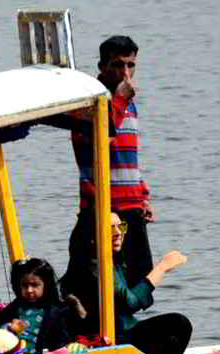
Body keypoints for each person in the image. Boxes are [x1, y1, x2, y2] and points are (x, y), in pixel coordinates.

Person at [66, 35, 154, 285]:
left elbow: (127, 157)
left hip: (131, 206)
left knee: (139, 276)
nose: (125, 72)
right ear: (102, 66)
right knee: (97, 279)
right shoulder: (90, 100)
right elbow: (101, 137)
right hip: (102, 206)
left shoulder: (126, 100)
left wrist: (142, 195)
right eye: (117, 65)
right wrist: (120, 99)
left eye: (130, 65)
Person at [62, 212, 191, 354]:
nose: (118, 233)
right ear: (93, 236)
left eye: (121, 227)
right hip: (108, 338)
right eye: (109, 229)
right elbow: (131, 303)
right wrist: (162, 267)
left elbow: (140, 276)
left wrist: (140, 223)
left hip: (124, 330)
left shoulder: (112, 260)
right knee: (179, 324)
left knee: (176, 329)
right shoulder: (94, 267)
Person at [0, 257, 84, 354]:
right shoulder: (10, 311)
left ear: (46, 285)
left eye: (34, 285)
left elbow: (62, 341)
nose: (29, 290)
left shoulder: (57, 312)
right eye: (25, 285)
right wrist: (9, 328)